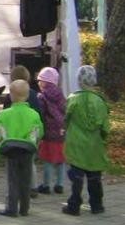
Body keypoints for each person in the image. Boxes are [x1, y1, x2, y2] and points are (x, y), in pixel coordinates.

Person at [62, 65, 110, 216]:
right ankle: (97, 205)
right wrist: (103, 137)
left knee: (76, 177)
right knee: (95, 177)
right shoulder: (100, 102)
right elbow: (105, 126)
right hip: (94, 144)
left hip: (76, 142)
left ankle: (74, 205)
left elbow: (67, 118)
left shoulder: (73, 98)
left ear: (79, 80)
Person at [0, 80, 43, 217]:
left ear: (10, 96)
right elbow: (39, 131)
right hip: (27, 149)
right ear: (27, 96)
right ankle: (25, 208)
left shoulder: (3, 114)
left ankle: (12, 208)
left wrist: (3, 140)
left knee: (13, 179)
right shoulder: (34, 114)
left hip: (11, 149)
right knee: (26, 179)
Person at [34, 67, 66, 195]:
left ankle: (46, 185)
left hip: (48, 132)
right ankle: (60, 184)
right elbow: (65, 109)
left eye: (40, 81)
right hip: (61, 131)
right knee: (60, 159)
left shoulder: (42, 96)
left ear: (45, 82)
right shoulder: (60, 94)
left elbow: (41, 113)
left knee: (47, 159)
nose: (38, 83)